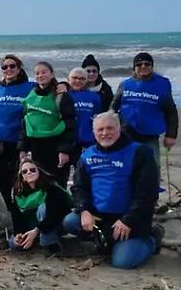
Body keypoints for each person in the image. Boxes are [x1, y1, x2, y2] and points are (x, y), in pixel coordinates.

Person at [63, 112, 161, 269]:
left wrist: (127, 220)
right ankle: (106, 240)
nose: (104, 133)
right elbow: (78, 187)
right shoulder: (87, 156)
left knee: (122, 262)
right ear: (94, 132)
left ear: (119, 128)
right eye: (100, 129)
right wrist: (84, 210)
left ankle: (152, 239)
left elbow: (148, 193)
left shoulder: (140, 153)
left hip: (129, 219)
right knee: (70, 222)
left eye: (109, 128)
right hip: (100, 217)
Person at [0, 54, 35, 202]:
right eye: (5, 67)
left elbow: (48, 86)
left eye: (12, 66)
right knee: (0, 184)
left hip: (19, 143)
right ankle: (6, 214)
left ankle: (22, 215)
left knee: (21, 183)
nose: (8, 69)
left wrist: (65, 85)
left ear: (19, 69)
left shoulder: (30, 88)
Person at [111, 52, 178, 164]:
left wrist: (171, 135)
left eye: (147, 64)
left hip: (149, 136)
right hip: (126, 134)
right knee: (126, 166)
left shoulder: (163, 84)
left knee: (152, 167)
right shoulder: (125, 84)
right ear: (134, 67)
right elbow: (113, 107)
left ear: (152, 66)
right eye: (139, 64)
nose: (143, 66)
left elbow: (170, 112)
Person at [18, 61, 75, 184]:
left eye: (44, 72)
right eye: (37, 73)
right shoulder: (31, 95)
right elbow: (25, 122)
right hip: (37, 147)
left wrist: (64, 150)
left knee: (58, 185)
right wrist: (23, 148)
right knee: (40, 184)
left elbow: (70, 124)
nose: (40, 75)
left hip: (56, 145)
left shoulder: (61, 96)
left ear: (52, 74)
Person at [9, 158, 73, 257]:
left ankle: (51, 244)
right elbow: (16, 216)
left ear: (40, 171)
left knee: (43, 209)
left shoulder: (52, 187)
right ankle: (34, 240)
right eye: (25, 171)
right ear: (22, 177)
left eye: (32, 170)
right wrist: (19, 233)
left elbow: (55, 214)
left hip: (55, 224)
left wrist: (37, 230)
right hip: (32, 227)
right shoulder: (18, 193)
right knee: (14, 244)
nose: (29, 172)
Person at [66, 67, 101, 166]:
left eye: (82, 79)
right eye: (75, 78)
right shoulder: (63, 96)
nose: (78, 81)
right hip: (69, 139)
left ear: (86, 80)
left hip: (88, 140)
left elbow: (97, 118)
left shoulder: (95, 97)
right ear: (68, 79)